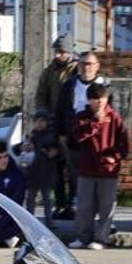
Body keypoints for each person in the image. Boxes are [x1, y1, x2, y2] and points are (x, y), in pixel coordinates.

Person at [68, 82, 126, 250]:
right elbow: (77, 137)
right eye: (94, 99)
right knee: (85, 206)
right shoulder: (82, 116)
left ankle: (101, 238)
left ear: (106, 99)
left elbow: (123, 144)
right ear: (88, 100)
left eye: (101, 99)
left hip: (108, 170)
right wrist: (95, 122)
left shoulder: (114, 117)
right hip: (87, 168)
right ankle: (82, 237)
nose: (98, 102)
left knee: (106, 206)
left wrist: (114, 158)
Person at [54, 51, 108, 221]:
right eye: (84, 64)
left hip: (96, 139)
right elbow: (60, 111)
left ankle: (94, 208)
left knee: (95, 174)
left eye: (90, 64)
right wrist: (61, 133)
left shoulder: (105, 86)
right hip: (73, 137)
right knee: (73, 173)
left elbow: (112, 114)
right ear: (78, 65)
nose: (87, 67)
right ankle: (73, 205)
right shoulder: (69, 85)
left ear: (97, 66)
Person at [34, 39, 77, 215]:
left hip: (71, 125)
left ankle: (72, 203)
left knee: (72, 167)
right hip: (52, 124)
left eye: (61, 52)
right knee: (55, 168)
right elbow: (41, 94)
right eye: (56, 51)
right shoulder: (49, 71)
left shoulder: (75, 70)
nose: (58, 55)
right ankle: (59, 203)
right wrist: (44, 116)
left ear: (69, 52)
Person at [20, 112, 57, 217]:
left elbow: (56, 152)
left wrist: (51, 152)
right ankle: (29, 220)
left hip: (46, 171)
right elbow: (21, 148)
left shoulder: (51, 136)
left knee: (47, 199)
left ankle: (50, 221)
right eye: (36, 121)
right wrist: (24, 147)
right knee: (30, 198)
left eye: (42, 121)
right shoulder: (33, 135)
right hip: (33, 172)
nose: (39, 124)